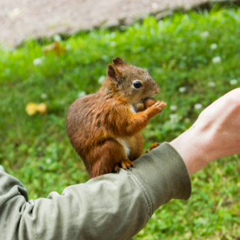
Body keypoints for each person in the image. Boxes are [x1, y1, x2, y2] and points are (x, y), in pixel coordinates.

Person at [0, 88, 239, 240]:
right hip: (106, 150)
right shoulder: (113, 108)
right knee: (115, 144)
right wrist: (201, 143)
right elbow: (23, 230)